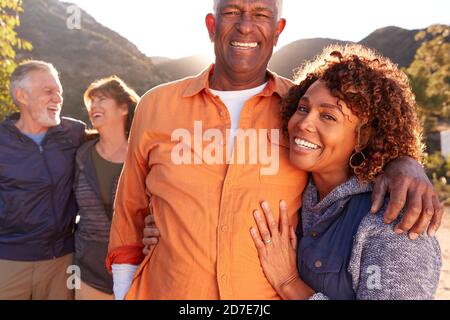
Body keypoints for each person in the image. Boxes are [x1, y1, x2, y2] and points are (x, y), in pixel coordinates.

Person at [109, 0, 443, 300]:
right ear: (212, 25)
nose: (245, 25)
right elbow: (131, 207)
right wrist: (126, 287)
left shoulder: (294, 104)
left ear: (278, 29)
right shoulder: (156, 106)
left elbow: (361, 143)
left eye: (260, 13)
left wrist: (404, 161)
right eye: (231, 12)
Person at [249, 45, 441, 300]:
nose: (304, 123)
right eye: (303, 108)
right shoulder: (300, 188)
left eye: (328, 116)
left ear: (364, 137)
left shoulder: (393, 222)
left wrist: (290, 284)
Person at [0, 60, 86, 300]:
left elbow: (119, 151)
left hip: (61, 262)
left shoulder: (74, 133)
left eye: (59, 92)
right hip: (8, 260)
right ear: (22, 96)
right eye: (48, 92)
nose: (58, 99)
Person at [73, 76, 139, 300]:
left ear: (123, 107)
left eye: (102, 99)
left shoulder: (142, 154)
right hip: (88, 271)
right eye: (92, 101)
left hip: (136, 268)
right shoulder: (81, 154)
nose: (94, 106)